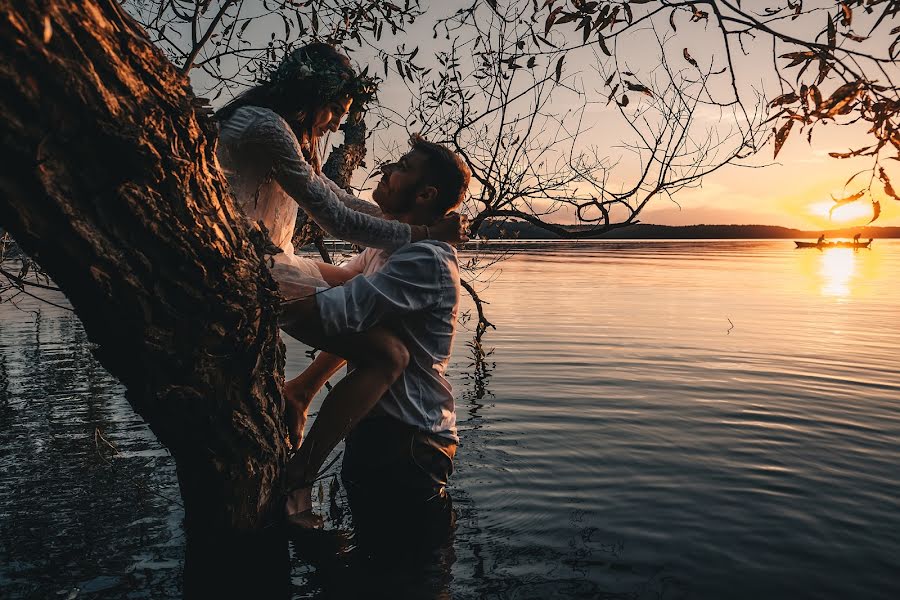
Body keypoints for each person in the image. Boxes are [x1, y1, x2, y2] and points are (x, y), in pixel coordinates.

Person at [214, 43, 468, 460]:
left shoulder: (287, 134)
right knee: (388, 354)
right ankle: (302, 452)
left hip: (265, 261)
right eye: (334, 110)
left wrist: (413, 229)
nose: (334, 126)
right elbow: (336, 219)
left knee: (361, 295)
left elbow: (341, 199)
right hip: (246, 264)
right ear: (311, 97)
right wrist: (421, 230)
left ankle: (299, 396)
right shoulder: (264, 126)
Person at [278, 135, 469, 536]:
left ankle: (299, 478)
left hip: (411, 446)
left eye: (402, 166)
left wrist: (256, 278)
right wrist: (281, 261)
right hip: (377, 434)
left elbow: (338, 312)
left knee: (407, 577)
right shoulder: (387, 248)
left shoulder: (424, 259)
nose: (387, 169)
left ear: (425, 194)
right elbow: (345, 284)